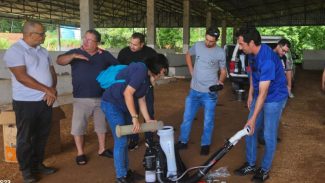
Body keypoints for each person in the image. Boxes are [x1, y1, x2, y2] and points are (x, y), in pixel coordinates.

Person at [100, 54, 169, 183]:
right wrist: (135, 117)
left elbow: (141, 99)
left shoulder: (147, 79)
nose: (163, 73)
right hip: (112, 104)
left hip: (123, 105)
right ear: (158, 67)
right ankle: (121, 177)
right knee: (120, 140)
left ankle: (125, 172)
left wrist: (148, 120)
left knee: (125, 140)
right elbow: (128, 93)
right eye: (163, 70)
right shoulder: (141, 69)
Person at [3, 20, 57, 183]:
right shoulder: (15, 51)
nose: (44, 36)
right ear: (29, 34)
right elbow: (22, 77)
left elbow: (52, 72)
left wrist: (53, 88)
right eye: (41, 33)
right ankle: (26, 170)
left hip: (45, 101)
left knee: (41, 135)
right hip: (26, 103)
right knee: (25, 138)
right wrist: (47, 90)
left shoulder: (43, 51)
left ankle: (38, 164)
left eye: (44, 33)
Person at [234, 27, 288, 183]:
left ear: (251, 43)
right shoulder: (251, 53)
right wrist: (251, 93)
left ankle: (264, 170)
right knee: (249, 130)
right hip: (260, 94)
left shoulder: (267, 60)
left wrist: (253, 117)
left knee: (268, 135)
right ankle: (251, 164)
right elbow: (253, 74)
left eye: (242, 44)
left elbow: (264, 94)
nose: (240, 47)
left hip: (274, 97)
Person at [56, 29, 118, 165]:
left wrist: (110, 82)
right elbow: (59, 61)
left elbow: (117, 67)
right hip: (81, 98)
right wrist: (73, 56)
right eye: (85, 38)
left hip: (101, 97)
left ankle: (102, 149)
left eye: (90, 40)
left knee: (101, 126)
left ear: (97, 43)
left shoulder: (104, 55)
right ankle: (80, 153)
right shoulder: (76, 52)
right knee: (78, 127)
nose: (86, 41)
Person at [176, 27, 227, 156]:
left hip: (209, 94)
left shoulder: (220, 52)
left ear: (216, 40)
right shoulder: (198, 45)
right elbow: (188, 54)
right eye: (207, 39)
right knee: (187, 118)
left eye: (211, 41)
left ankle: (205, 144)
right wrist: (191, 70)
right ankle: (183, 141)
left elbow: (223, 71)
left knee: (208, 121)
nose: (208, 43)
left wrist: (220, 82)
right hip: (194, 91)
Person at [117, 32, 157, 151]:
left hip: (146, 87)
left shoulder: (150, 53)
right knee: (132, 114)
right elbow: (119, 69)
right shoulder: (124, 52)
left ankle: (149, 138)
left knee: (148, 112)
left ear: (142, 44)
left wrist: (153, 76)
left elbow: (156, 66)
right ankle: (133, 140)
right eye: (130, 43)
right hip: (130, 88)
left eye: (135, 44)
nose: (132, 46)